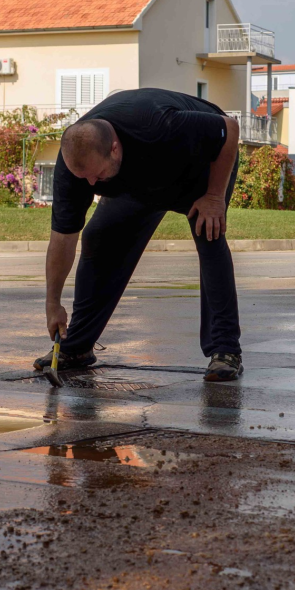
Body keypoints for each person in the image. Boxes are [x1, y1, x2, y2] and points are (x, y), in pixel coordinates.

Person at [34, 88, 244, 382]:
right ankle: (77, 347)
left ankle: (225, 351)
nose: (91, 183)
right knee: (98, 236)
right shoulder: (75, 168)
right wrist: (52, 303)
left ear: (115, 148)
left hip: (196, 172)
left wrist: (213, 196)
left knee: (208, 232)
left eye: (97, 174)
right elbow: (62, 238)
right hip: (137, 184)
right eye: (85, 179)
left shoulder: (159, 124)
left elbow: (228, 128)